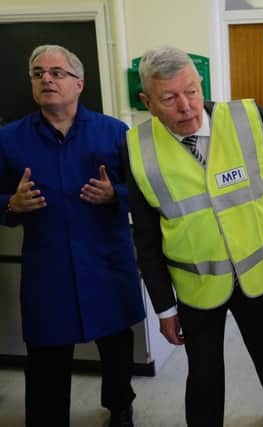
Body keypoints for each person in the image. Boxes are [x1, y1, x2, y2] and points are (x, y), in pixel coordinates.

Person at [123, 45, 263, 427]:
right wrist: (165, 308)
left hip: (261, 271)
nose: (186, 106)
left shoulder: (251, 119)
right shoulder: (137, 148)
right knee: (202, 373)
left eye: (192, 91)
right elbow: (147, 238)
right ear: (147, 101)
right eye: (169, 98)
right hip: (197, 284)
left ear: (202, 84)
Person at [0, 45, 145, 427]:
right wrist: (11, 204)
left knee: (116, 348)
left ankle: (120, 407)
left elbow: (145, 191)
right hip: (49, 269)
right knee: (47, 354)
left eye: (57, 72)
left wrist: (117, 195)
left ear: (79, 83)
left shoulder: (114, 132)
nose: (46, 78)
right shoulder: (9, 139)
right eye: (38, 73)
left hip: (106, 263)